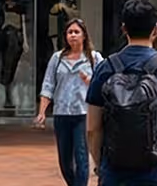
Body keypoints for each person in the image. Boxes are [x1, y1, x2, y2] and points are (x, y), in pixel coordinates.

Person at [85, 0, 157, 186]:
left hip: (115, 176)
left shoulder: (105, 69)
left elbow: (92, 128)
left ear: (124, 29)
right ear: (156, 30)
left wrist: (101, 167)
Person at [35, 18, 101, 186]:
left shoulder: (94, 58)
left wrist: (89, 81)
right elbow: (48, 85)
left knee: (81, 157)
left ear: (84, 35)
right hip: (62, 114)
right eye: (69, 32)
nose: (72, 36)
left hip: (83, 114)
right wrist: (42, 112)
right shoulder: (57, 58)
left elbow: (105, 84)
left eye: (76, 32)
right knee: (65, 161)